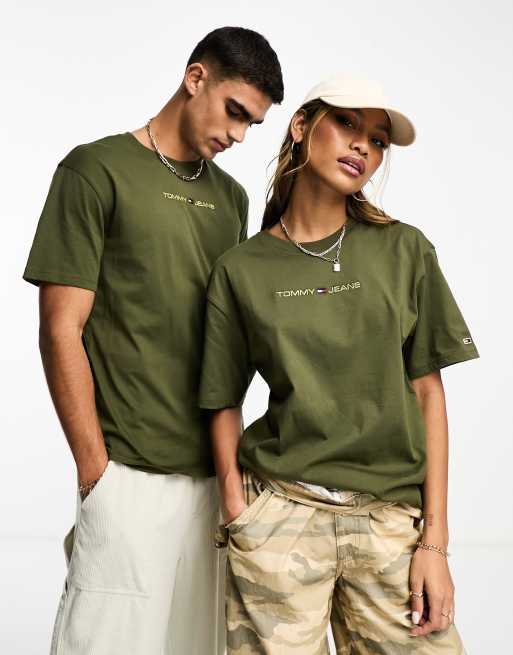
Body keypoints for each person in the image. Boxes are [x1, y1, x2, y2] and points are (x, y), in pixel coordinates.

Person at [23, 26, 283, 655]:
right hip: (126, 474)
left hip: (212, 478)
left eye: (252, 123)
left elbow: (227, 343)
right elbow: (60, 328)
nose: (239, 135)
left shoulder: (231, 199)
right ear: (196, 78)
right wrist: (95, 471)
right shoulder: (95, 169)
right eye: (234, 111)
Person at [198, 74, 479, 654]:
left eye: (377, 140)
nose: (362, 146)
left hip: (389, 521)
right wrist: (236, 509)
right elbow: (221, 397)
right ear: (301, 126)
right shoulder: (241, 268)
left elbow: (429, 394)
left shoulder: (404, 250)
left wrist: (435, 542)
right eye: (348, 123)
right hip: (280, 518)